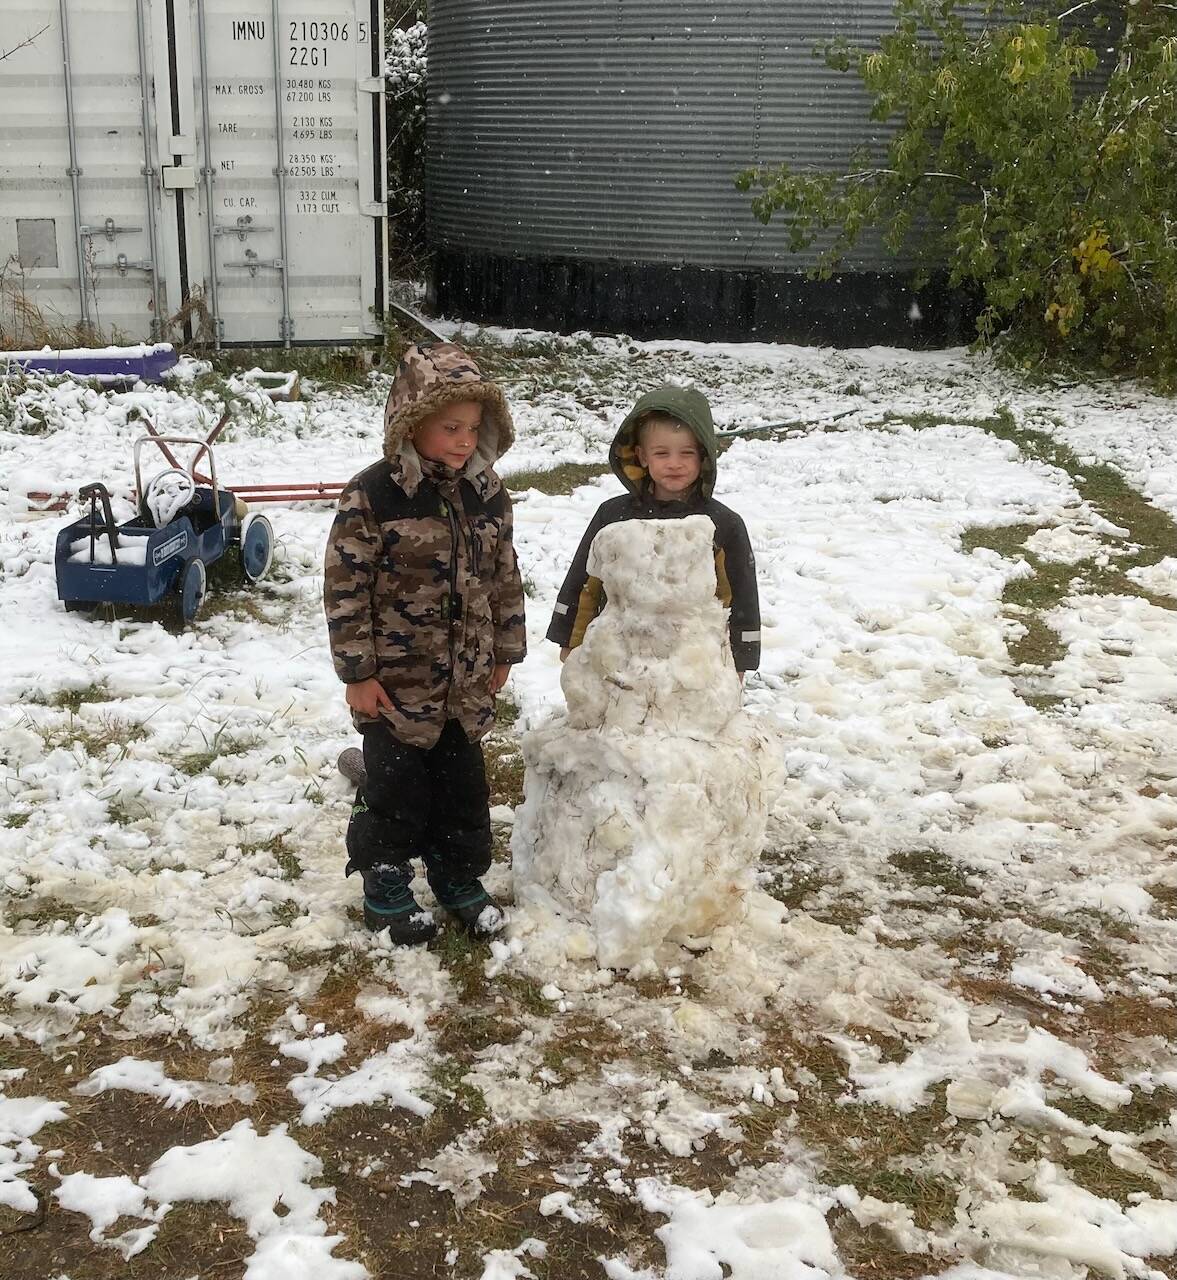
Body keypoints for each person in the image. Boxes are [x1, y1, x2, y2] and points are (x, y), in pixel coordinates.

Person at [323, 342, 526, 944]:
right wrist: (357, 673)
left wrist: (506, 651)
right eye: (450, 427)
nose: (464, 440)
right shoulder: (374, 495)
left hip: (465, 681)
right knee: (394, 789)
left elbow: (505, 577)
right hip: (396, 685)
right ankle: (384, 881)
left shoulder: (488, 494)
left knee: (464, 791)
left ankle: (458, 876)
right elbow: (345, 587)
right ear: (413, 422)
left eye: (474, 428)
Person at [547, 384, 759, 675]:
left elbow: (740, 596)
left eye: (687, 453)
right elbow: (585, 582)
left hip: (696, 662)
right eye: (662, 453)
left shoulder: (722, 525)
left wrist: (740, 659)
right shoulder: (614, 516)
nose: (675, 464)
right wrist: (571, 640)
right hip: (622, 654)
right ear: (642, 456)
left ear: (704, 456)